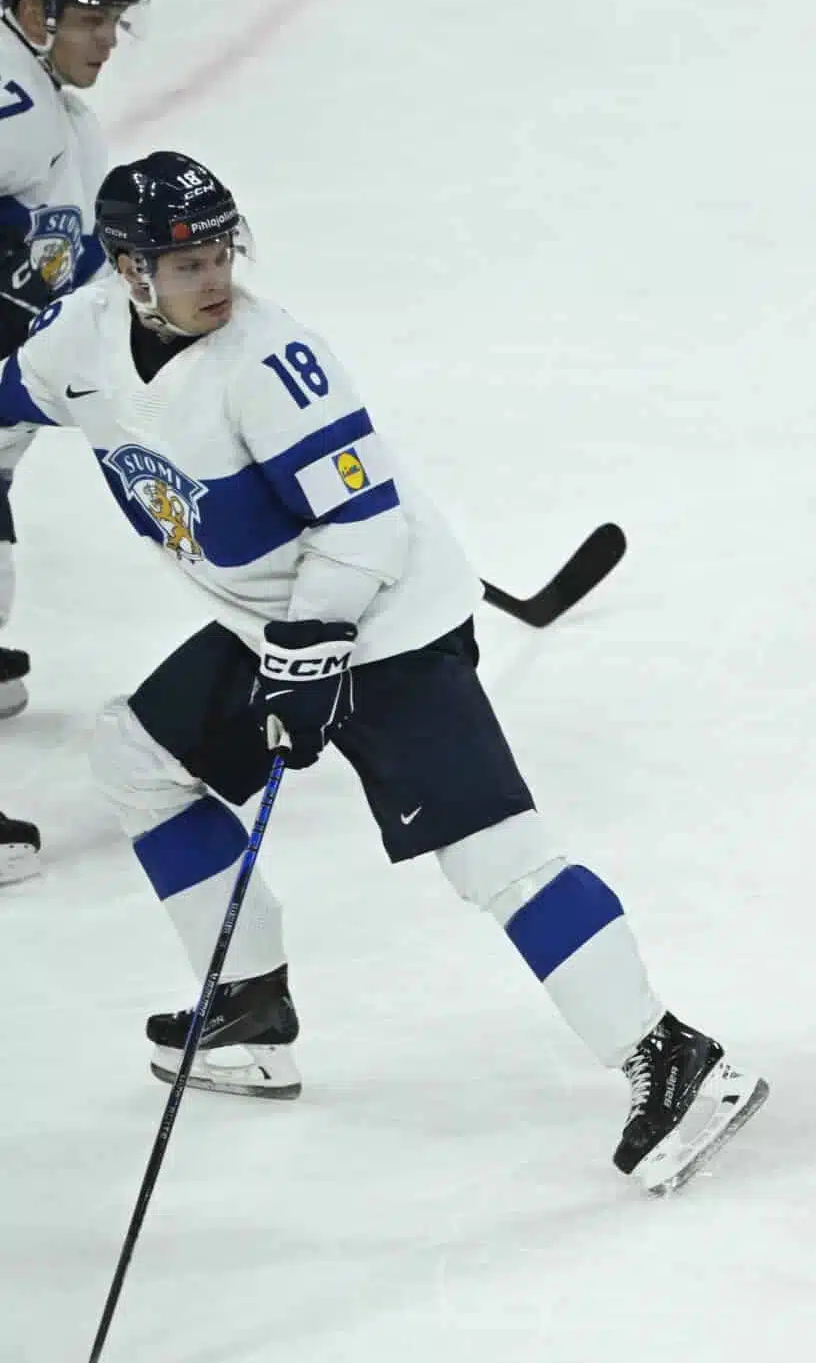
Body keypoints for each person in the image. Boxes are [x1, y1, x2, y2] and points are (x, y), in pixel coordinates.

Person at [0, 151, 764, 1192]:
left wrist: (313, 652)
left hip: (391, 625)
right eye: (186, 263)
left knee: (495, 857)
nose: (215, 277)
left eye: (222, 252)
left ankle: (673, 1056)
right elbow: (12, 391)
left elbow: (364, 523)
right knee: (137, 760)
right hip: (271, 626)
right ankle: (247, 1008)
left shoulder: (270, 364)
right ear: (130, 271)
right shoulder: (81, 342)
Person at [0, 0, 143, 879]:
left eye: (116, 19)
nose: (108, 39)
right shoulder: (15, 104)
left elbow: (74, 253)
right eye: (92, 18)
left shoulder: (59, 115)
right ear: (31, 9)